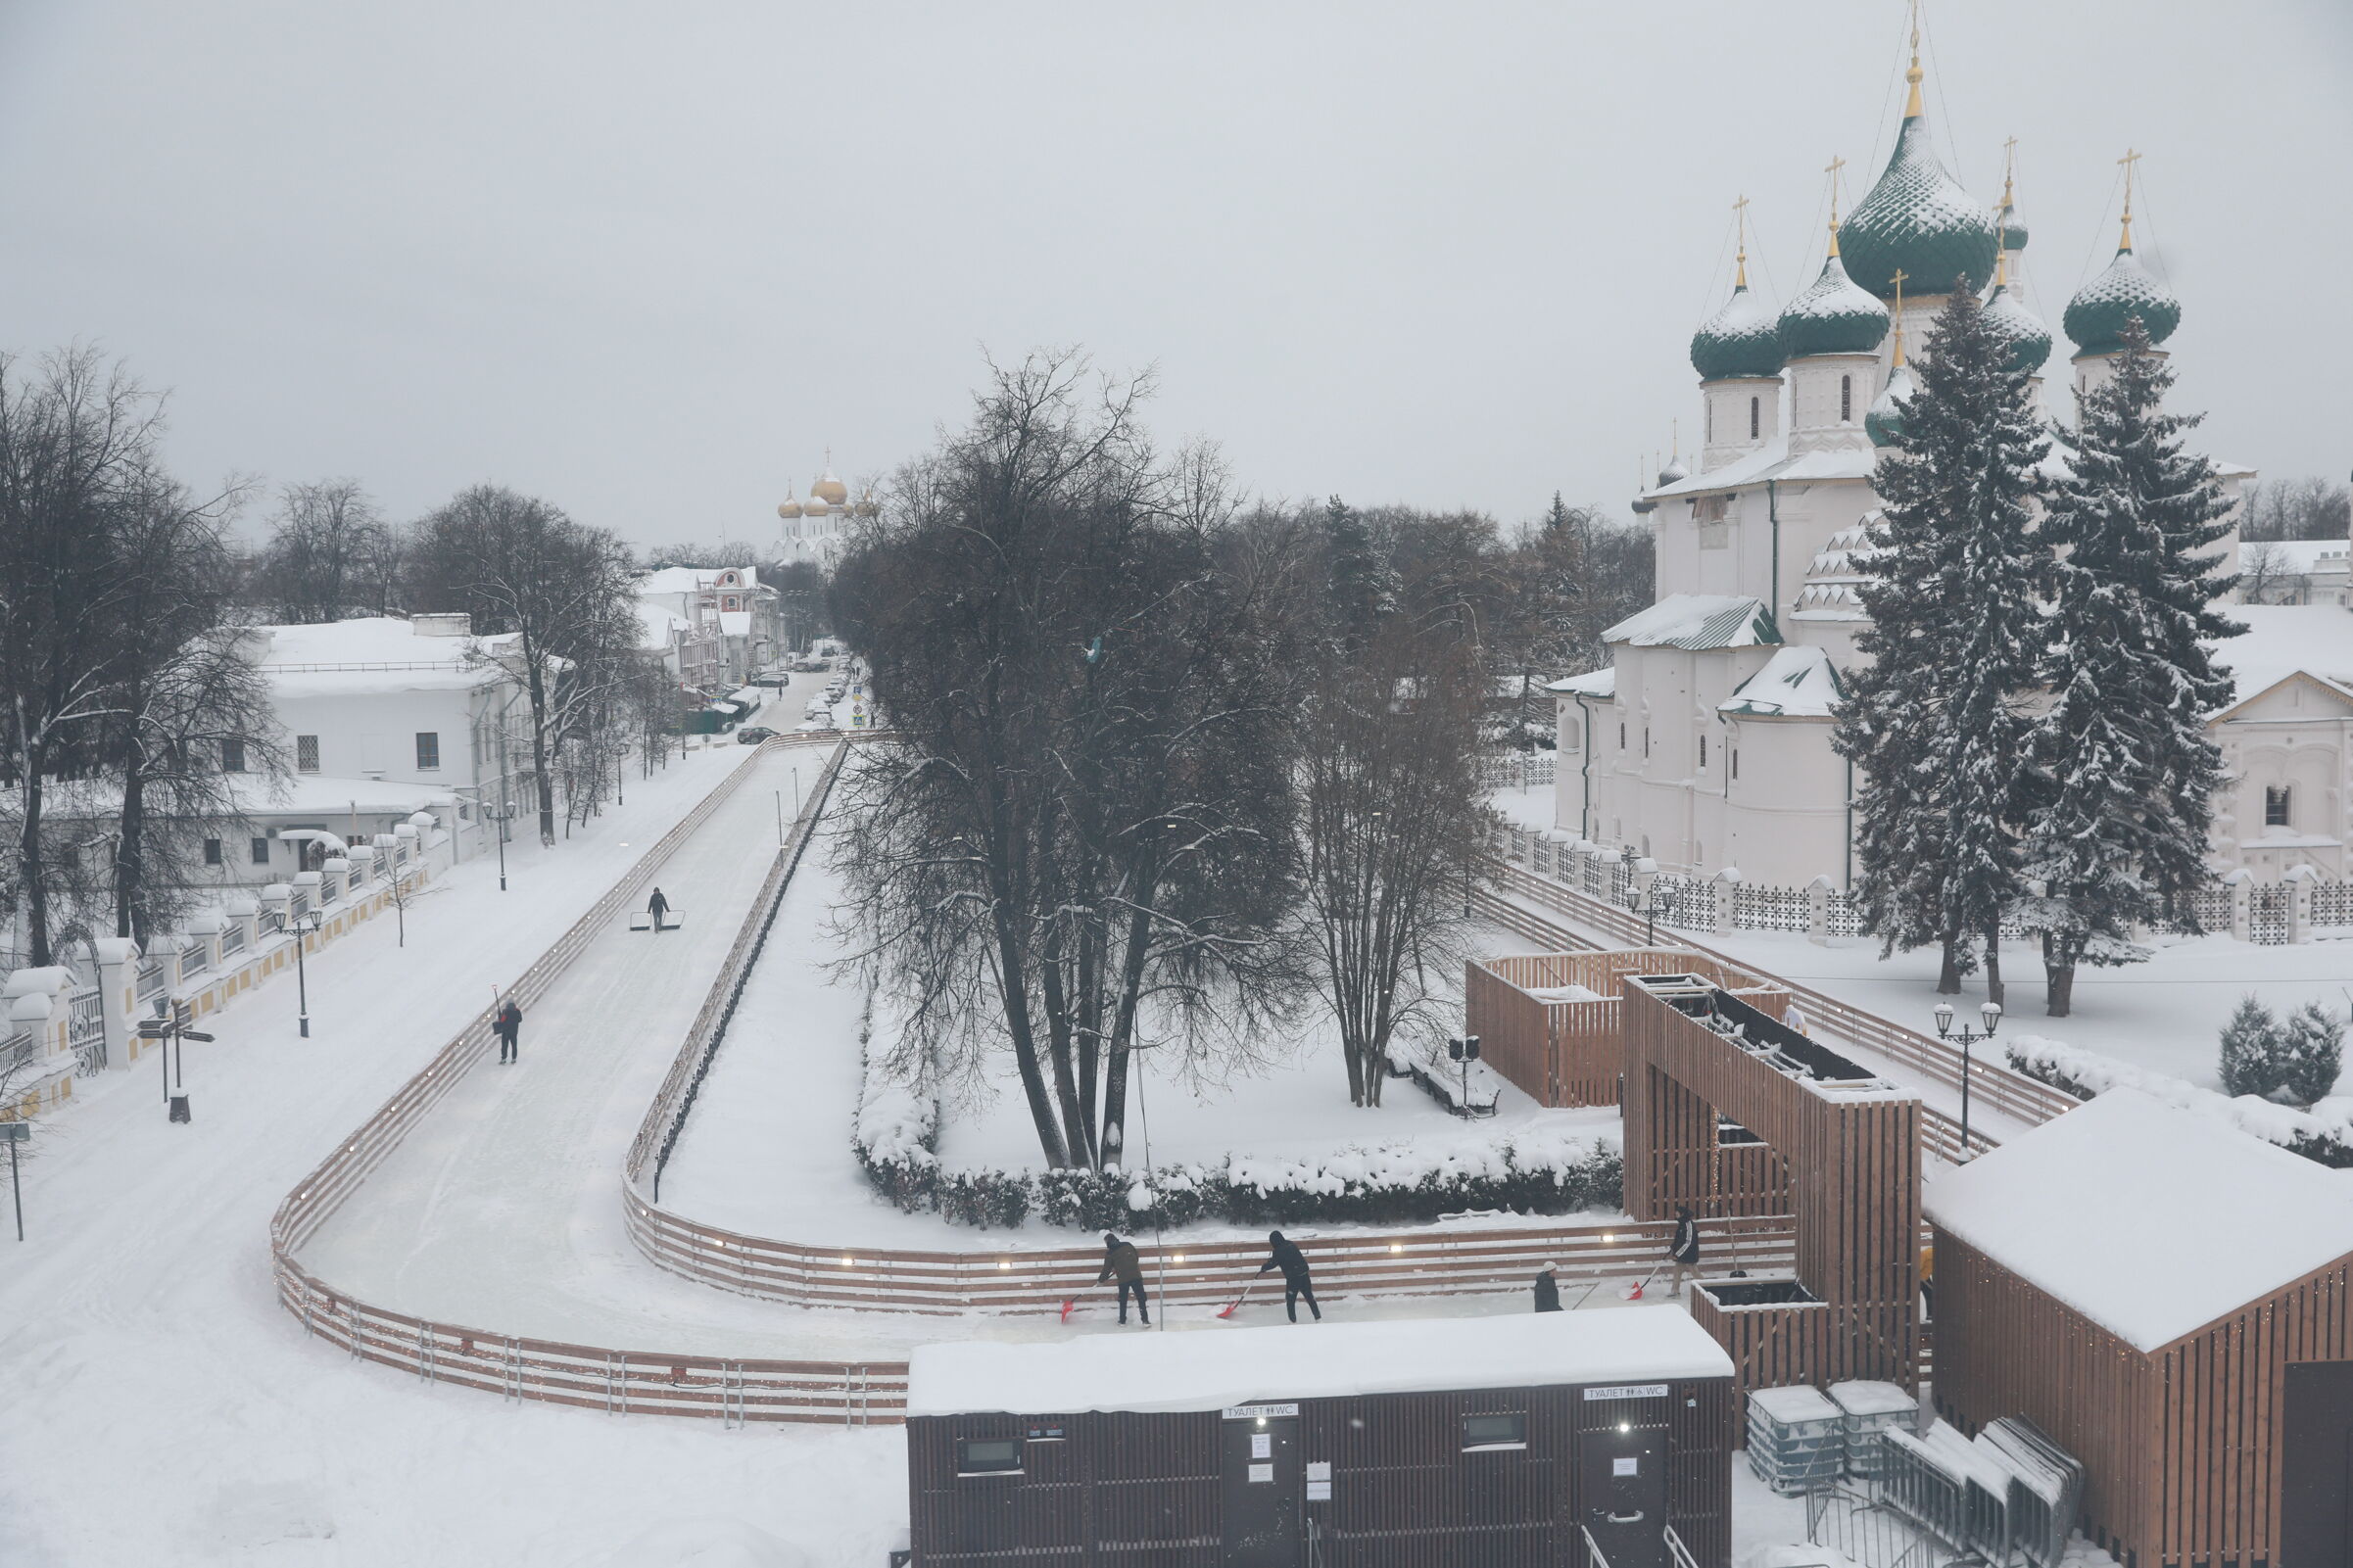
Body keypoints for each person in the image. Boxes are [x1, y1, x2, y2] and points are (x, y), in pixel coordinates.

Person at [1258, 1230, 1320, 1323]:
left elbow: (1274, 1263)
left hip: (1293, 1279)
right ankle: (1318, 1318)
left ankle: (1293, 1321)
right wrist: (1273, 1259)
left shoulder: (1278, 1251)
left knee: (1290, 1301)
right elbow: (1282, 1257)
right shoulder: (1290, 1244)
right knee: (1310, 1298)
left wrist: (1264, 1268)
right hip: (1304, 1275)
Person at [1097, 1232, 1148, 1326]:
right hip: (1136, 1275)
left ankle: (1122, 1321)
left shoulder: (1110, 1253)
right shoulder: (1128, 1244)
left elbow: (1106, 1269)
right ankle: (1145, 1320)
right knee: (1141, 1298)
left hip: (1123, 1279)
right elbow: (1136, 1257)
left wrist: (1101, 1280)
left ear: (1108, 1242)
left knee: (1123, 1300)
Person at [1668, 1204, 1701, 1299]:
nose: (1676, 1215)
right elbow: (1679, 1239)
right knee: (1677, 1272)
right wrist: (1674, 1247)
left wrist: (1677, 1254)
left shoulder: (1689, 1224)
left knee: (1695, 1274)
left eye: (1677, 1214)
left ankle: (1707, 1289)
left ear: (1682, 1214)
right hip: (1682, 1255)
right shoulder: (1682, 1224)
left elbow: (1688, 1242)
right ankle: (1675, 1291)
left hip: (1689, 1255)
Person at [495, 999, 523, 1065]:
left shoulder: (505, 1011)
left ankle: (504, 1059)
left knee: (504, 1045)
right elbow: (520, 1019)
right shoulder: (517, 1011)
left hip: (506, 1032)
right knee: (514, 1045)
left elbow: (501, 1020)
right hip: (514, 1031)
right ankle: (514, 1058)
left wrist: (500, 1014)